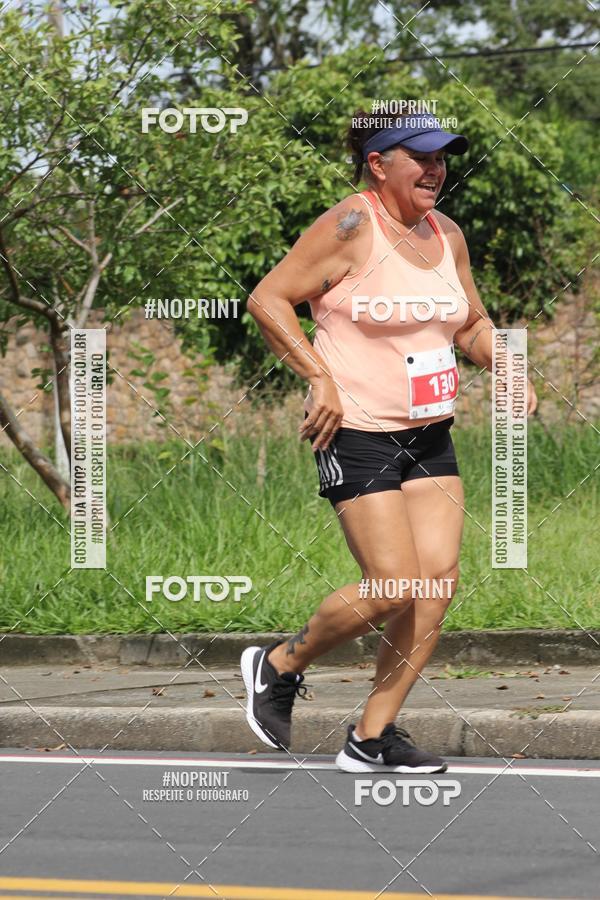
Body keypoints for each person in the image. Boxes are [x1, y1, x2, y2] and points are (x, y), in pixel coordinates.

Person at [240, 109, 537, 773]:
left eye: (442, 158)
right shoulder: (352, 224)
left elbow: (471, 323)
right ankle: (278, 664)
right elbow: (268, 299)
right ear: (379, 162)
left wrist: (510, 365)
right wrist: (317, 375)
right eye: (421, 157)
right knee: (394, 583)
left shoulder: (446, 234)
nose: (436, 170)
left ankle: (371, 737)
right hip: (356, 431)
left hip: (429, 433)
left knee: (436, 585)